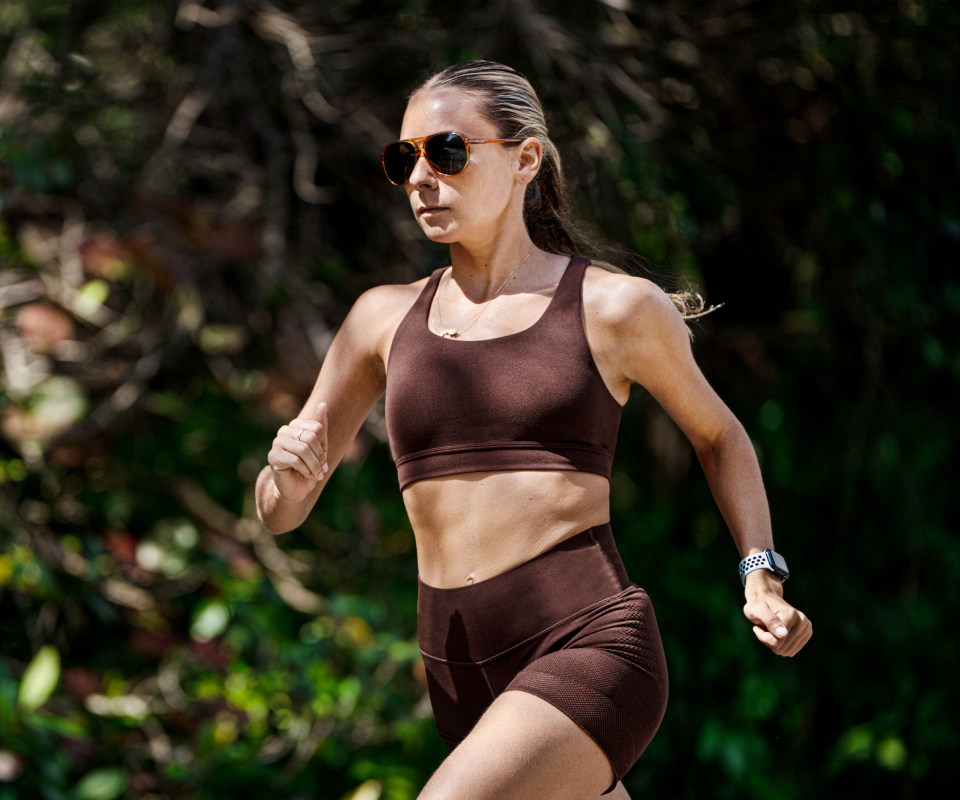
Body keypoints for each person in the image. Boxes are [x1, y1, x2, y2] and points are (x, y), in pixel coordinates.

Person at [255, 60, 812, 800]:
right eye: (403, 159)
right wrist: (283, 479)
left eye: (447, 151)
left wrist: (761, 576)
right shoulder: (380, 319)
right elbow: (283, 512)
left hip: (586, 641)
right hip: (455, 670)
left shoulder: (614, 308)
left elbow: (720, 436)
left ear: (525, 160)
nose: (421, 177)